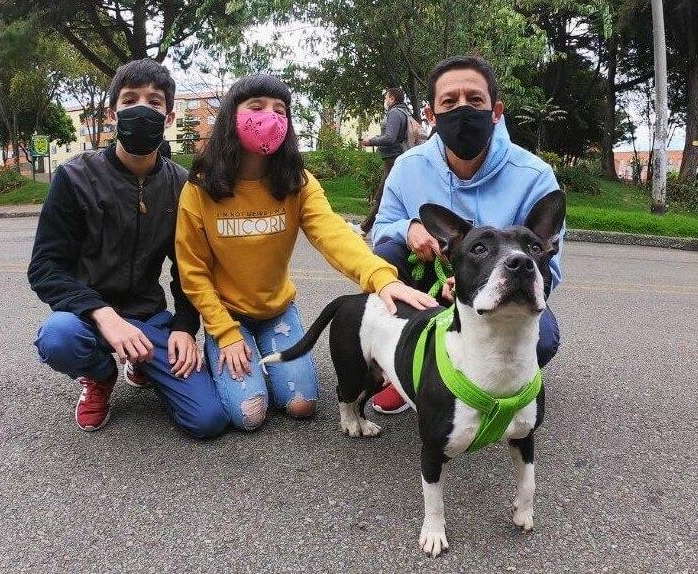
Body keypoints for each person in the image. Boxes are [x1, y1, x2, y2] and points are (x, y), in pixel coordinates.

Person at [175, 74, 437, 431]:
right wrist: (224, 332)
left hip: (277, 311)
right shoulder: (201, 187)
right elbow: (192, 271)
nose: (270, 117)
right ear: (231, 117)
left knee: (302, 406)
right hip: (227, 314)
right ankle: (231, 358)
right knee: (250, 415)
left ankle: (260, 362)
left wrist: (380, 279)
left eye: (280, 110)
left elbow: (333, 236)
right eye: (257, 107)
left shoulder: (297, 181)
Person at [28, 59, 229, 437]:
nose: (142, 108)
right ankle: (100, 373)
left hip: (148, 318)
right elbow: (45, 268)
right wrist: (103, 314)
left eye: (154, 102)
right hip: (86, 318)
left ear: (169, 117)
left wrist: (185, 327)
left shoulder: (182, 186)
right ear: (112, 113)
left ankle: (141, 361)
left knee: (208, 420)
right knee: (58, 336)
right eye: (130, 99)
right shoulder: (74, 177)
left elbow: (190, 266)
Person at [368, 55, 565, 414]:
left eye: (474, 100)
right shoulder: (407, 168)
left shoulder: (534, 176)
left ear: (496, 111)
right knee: (385, 257)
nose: (462, 109)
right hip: (426, 278)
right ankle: (403, 368)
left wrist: (477, 285)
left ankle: (495, 379)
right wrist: (408, 227)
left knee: (545, 338)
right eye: (449, 102)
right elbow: (381, 229)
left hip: (497, 286)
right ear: (430, 115)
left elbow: (551, 266)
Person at [359, 87, 414, 234]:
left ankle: (364, 228)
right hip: (394, 158)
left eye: (386, 98)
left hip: (393, 159)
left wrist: (370, 141)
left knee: (384, 194)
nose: (385, 101)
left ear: (392, 99)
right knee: (389, 194)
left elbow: (390, 138)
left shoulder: (395, 113)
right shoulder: (403, 112)